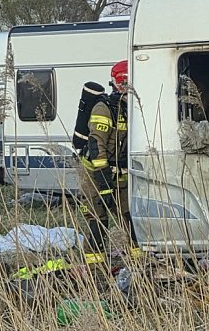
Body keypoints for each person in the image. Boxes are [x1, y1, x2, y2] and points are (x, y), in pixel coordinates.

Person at [79, 60, 141, 268]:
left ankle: (139, 261)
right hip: (95, 173)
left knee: (129, 216)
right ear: (116, 83)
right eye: (123, 82)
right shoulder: (104, 108)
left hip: (120, 172)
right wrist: (103, 178)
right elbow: (96, 144)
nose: (125, 87)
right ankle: (95, 267)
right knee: (98, 219)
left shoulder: (132, 108)